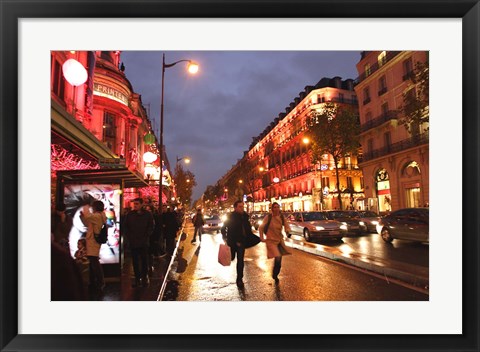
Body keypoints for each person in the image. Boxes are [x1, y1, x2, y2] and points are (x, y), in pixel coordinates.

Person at [220, 200, 252, 287]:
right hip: (232, 241)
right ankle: (232, 256)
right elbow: (223, 228)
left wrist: (249, 237)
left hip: (242, 242)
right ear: (235, 208)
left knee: (240, 261)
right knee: (232, 257)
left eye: (243, 206)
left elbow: (248, 228)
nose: (242, 208)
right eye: (240, 207)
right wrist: (225, 238)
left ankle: (239, 279)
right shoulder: (231, 217)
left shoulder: (245, 216)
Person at [79, 200, 107, 299]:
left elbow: (87, 217)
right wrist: (83, 216)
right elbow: (88, 222)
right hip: (93, 241)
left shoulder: (97, 216)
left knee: (94, 261)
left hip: (93, 241)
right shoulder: (100, 216)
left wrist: (85, 206)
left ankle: (99, 283)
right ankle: (97, 282)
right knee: (93, 261)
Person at [258, 202, 291, 283]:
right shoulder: (268, 217)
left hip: (279, 240)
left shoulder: (281, 217)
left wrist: (287, 232)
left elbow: (286, 225)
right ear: (272, 209)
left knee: (279, 260)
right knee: (278, 256)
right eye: (274, 207)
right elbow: (261, 228)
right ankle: (275, 274)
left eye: (277, 207)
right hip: (271, 241)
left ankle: (276, 273)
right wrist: (262, 237)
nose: (276, 209)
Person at [124, 198, 154, 287]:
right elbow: (126, 227)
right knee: (135, 261)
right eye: (134, 204)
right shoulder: (130, 215)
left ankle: (144, 276)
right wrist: (129, 237)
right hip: (134, 241)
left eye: (137, 204)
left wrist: (146, 235)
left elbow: (151, 226)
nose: (135, 205)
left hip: (143, 241)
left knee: (144, 260)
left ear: (141, 204)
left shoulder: (148, 215)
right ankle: (137, 278)